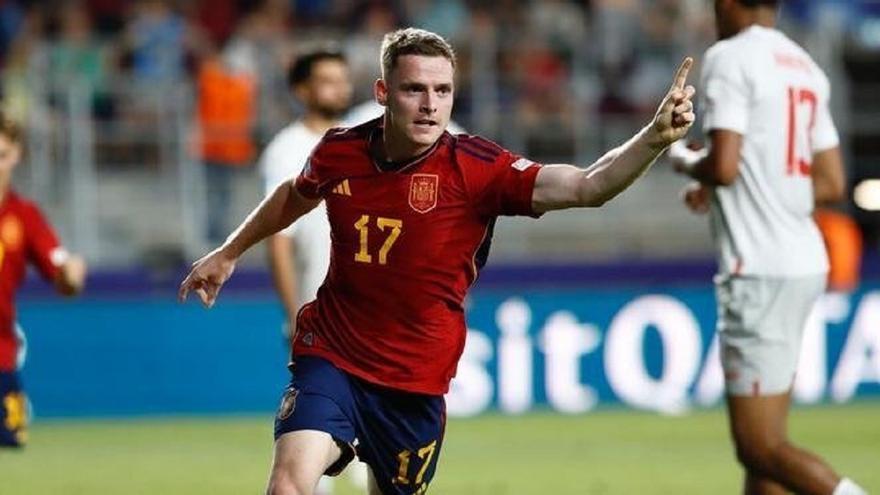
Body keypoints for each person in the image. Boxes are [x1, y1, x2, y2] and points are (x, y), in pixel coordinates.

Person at [180, 28, 695, 495]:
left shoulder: (476, 169)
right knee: (289, 484)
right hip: (332, 354)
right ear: (383, 93)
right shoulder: (339, 152)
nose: (430, 105)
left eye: (442, 91)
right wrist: (229, 252)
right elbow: (295, 194)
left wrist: (652, 137)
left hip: (414, 381)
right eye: (414, 89)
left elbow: (587, 185)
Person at [668, 2, 867, 494]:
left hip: (758, 269)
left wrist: (684, 160)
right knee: (768, 450)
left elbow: (725, 165)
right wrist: (727, 187)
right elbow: (831, 182)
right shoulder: (804, 66)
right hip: (803, 261)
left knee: (758, 446)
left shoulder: (731, 57)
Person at [259, 47, 366, 494]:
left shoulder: (362, 140)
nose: (338, 88)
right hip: (318, 309)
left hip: (367, 307)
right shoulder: (289, 150)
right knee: (312, 422)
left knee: (368, 427)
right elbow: (278, 239)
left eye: (342, 79)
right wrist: (292, 313)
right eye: (327, 80)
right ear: (302, 90)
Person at [0, 114, 87, 448]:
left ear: (16, 155)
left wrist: (71, 275)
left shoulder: (25, 217)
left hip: (2, 355)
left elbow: (62, 274)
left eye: (2, 155)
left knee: (11, 441)